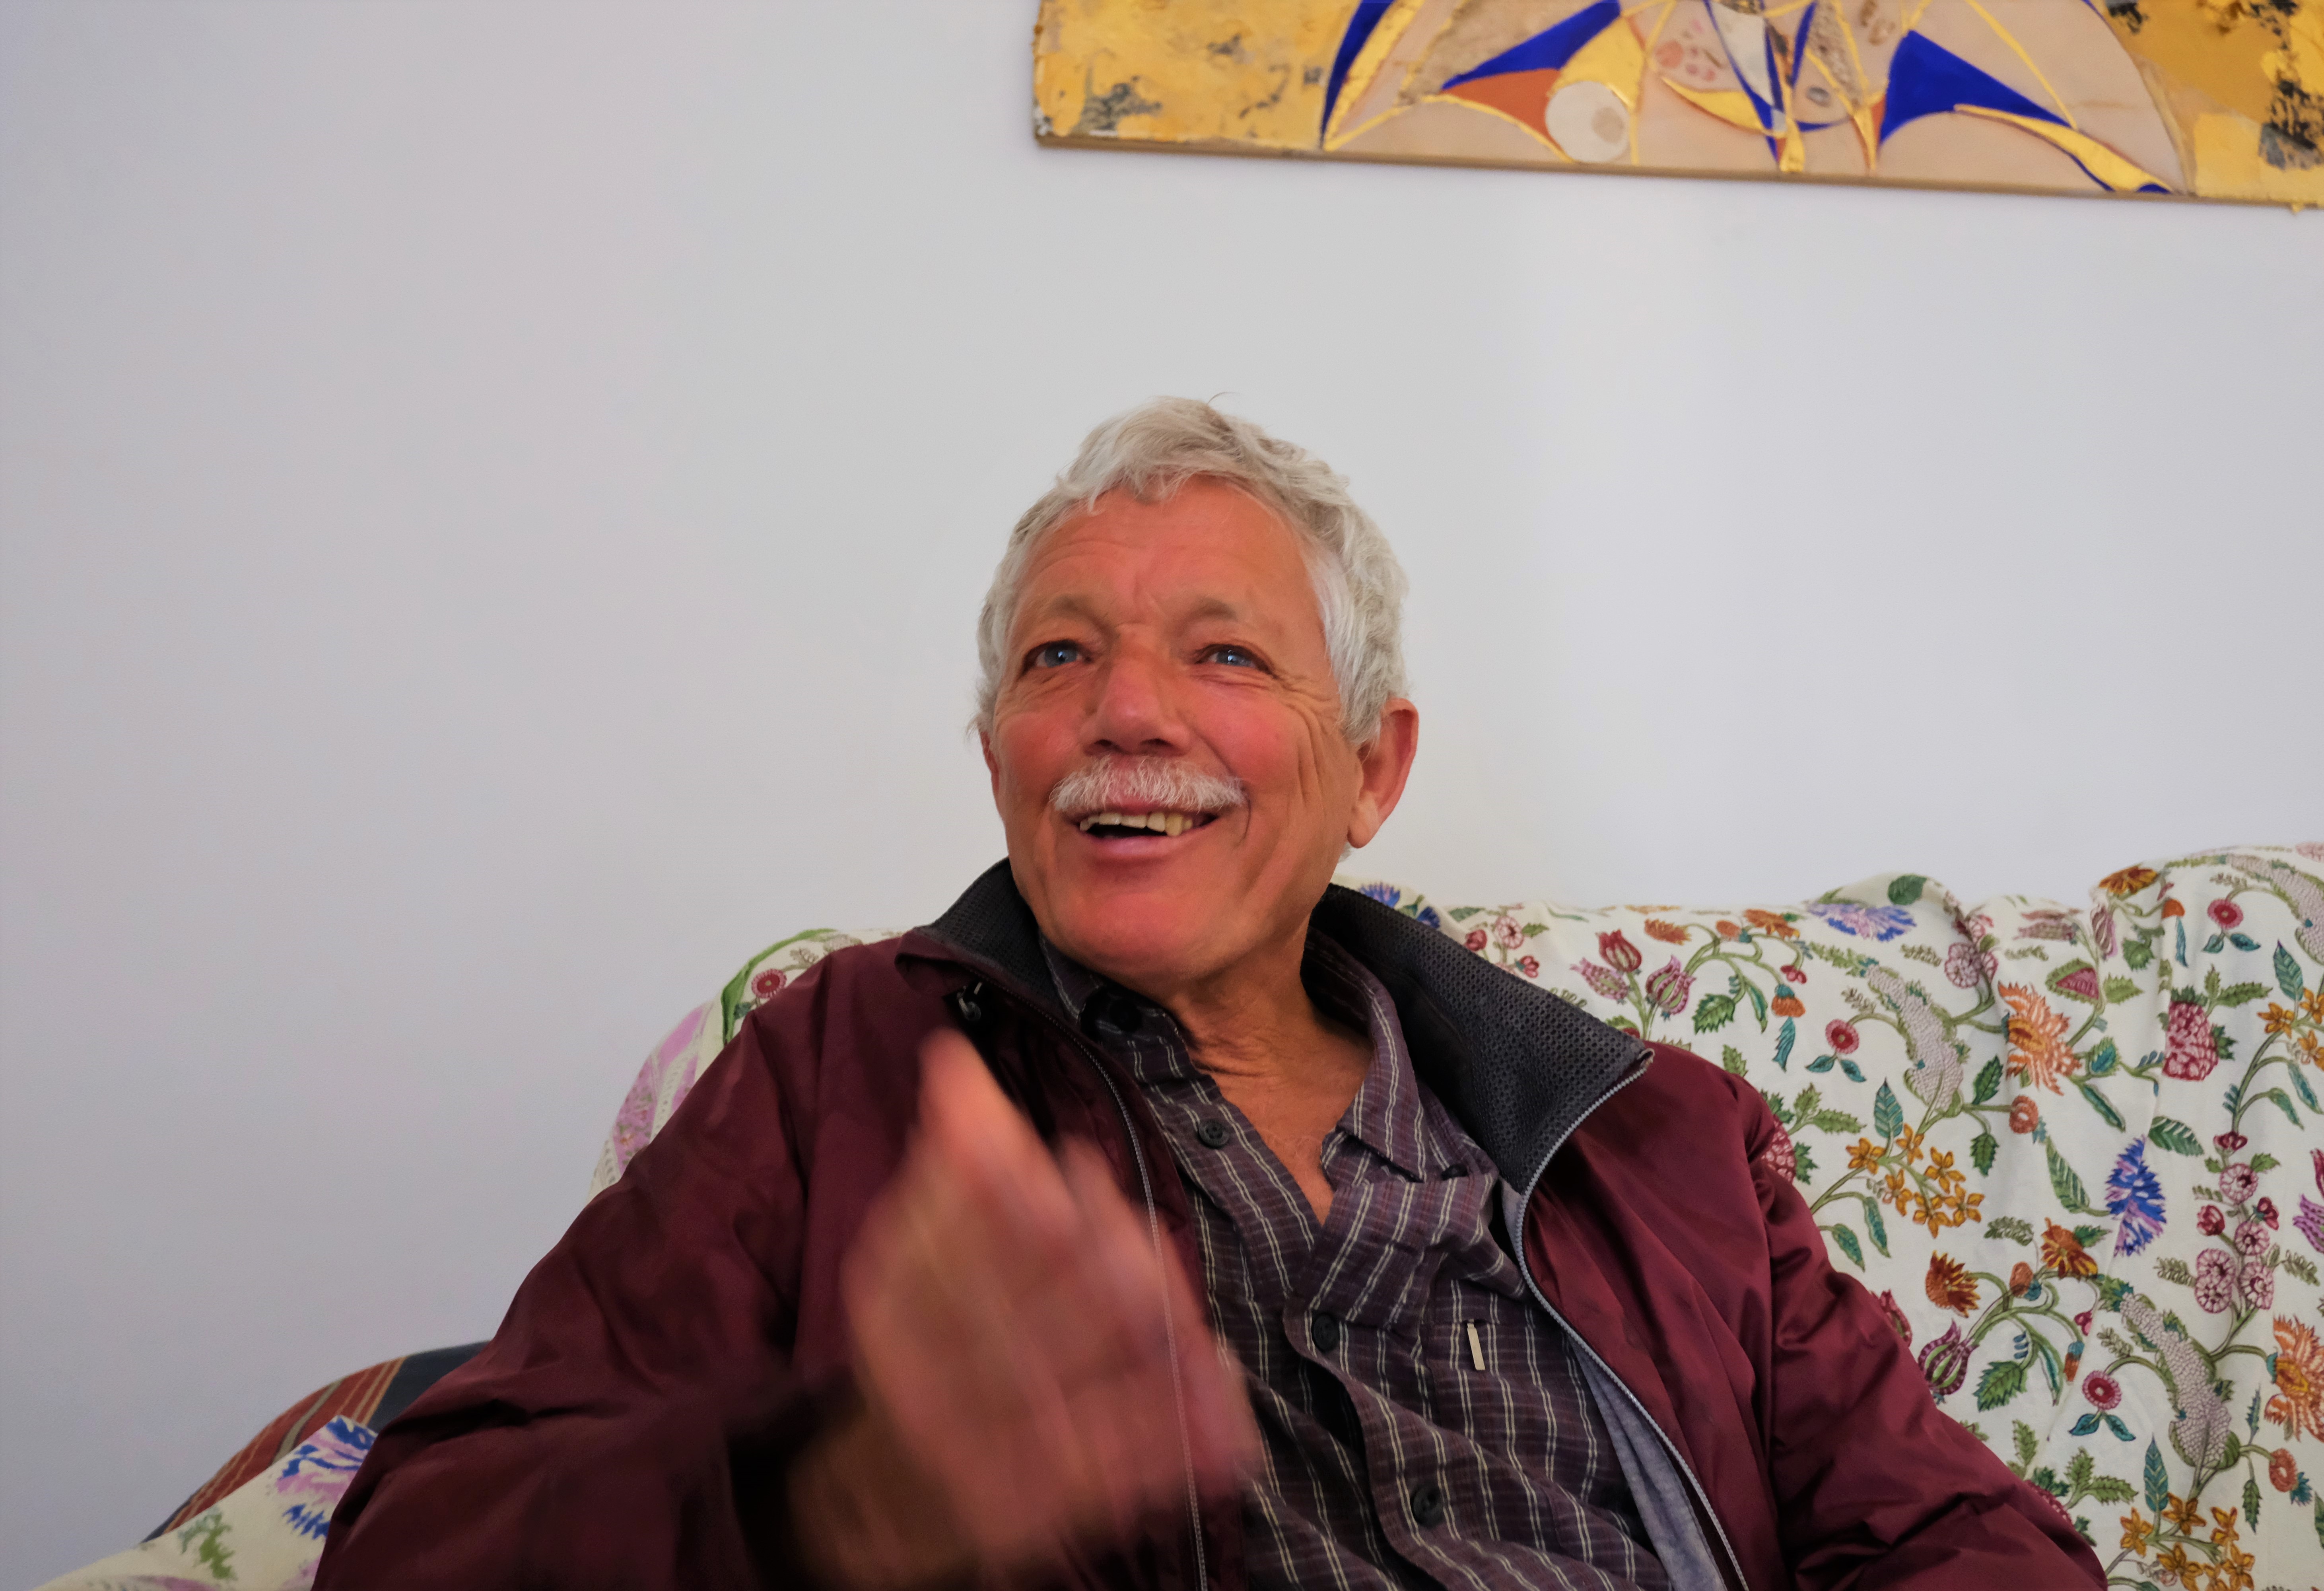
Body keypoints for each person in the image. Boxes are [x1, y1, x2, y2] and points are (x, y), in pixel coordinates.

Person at [317, 399, 2101, 1591]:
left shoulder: (1657, 1141)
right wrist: (827, 1500)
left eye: (1225, 653)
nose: (1127, 712)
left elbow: (1954, 1533)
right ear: (1001, 759)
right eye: (1060, 655)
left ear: (1372, 768)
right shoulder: (842, 1065)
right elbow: (421, 1541)